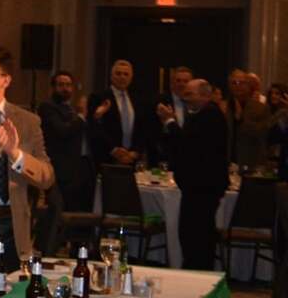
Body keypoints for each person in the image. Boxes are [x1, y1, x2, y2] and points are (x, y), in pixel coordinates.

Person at [0, 44, 55, 262]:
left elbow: (47, 177)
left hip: (13, 224)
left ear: (6, 79)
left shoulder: (28, 121)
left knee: (10, 294)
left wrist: (14, 153)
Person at [158, 79, 230, 270]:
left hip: (203, 187)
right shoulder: (200, 115)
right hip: (197, 187)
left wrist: (170, 121)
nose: (184, 98)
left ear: (205, 96)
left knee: (196, 237)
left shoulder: (210, 116)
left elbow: (187, 146)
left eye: (190, 94)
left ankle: (198, 275)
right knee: (192, 236)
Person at [37, 69, 94, 221]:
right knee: (59, 211)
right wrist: (82, 115)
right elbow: (63, 131)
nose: (65, 88)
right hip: (60, 168)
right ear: (53, 87)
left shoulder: (70, 109)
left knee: (79, 208)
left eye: (69, 85)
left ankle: (75, 242)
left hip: (78, 167)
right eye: (61, 85)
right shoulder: (47, 107)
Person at [88, 59, 152, 167]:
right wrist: (114, 150)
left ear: (131, 77)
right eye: (118, 73)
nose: (122, 77)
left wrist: (135, 152)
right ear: (111, 76)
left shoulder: (138, 100)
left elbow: (143, 128)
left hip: (132, 159)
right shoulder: (98, 97)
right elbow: (94, 127)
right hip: (107, 158)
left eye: (126, 74)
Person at [230, 70, 274, 171]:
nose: (238, 86)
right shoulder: (223, 107)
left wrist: (241, 120)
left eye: (242, 82)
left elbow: (263, 133)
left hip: (251, 163)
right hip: (228, 163)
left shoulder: (261, 108)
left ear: (249, 85)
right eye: (234, 83)